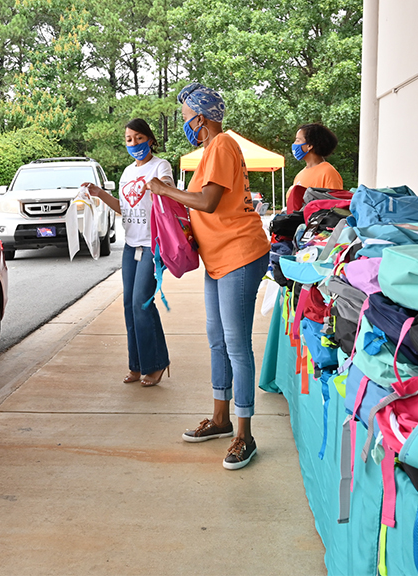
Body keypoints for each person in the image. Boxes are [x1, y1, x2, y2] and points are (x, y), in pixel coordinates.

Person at [147, 83, 270, 470]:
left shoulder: (221, 145)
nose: (185, 123)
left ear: (200, 118)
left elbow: (209, 201)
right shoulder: (210, 152)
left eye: (185, 117)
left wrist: (166, 190)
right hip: (218, 258)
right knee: (217, 341)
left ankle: (244, 434)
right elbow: (204, 207)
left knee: (236, 345)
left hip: (240, 254)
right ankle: (220, 419)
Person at [82, 119, 172, 387]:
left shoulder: (160, 165)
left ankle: (155, 363)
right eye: (129, 139)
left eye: (138, 138)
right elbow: (124, 207)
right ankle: (137, 365)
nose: (133, 144)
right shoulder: (126, 172)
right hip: (131, 245)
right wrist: (99, 194)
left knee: (141, 303)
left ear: (150, 139)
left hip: (152, 244)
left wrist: (157, 184)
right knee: (128, 307)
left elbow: (166, 187)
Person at [286, 123, 343, 213]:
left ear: (309, 145)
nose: (294, 144)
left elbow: (335, 207)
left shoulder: (328, 172)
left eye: (298, 140)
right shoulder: (300, 175)